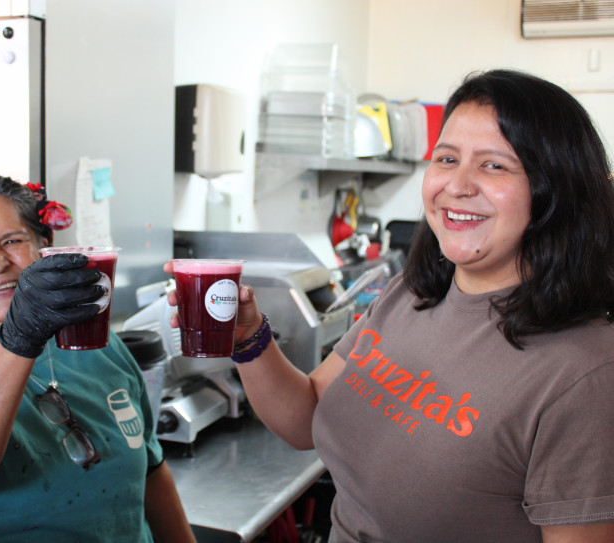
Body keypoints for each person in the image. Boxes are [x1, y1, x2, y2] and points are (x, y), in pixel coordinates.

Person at [166, 69, 614, 543]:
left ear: (555, 192)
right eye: (447, 158)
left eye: (494, 165)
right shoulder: (411, 293)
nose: (456, 185)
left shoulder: (585, 372)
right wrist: (248, 340)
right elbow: (307, 417)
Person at [0, 173, 196, 542]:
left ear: (45, 248)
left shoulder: (99, 344)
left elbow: (151, 469)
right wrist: (19, 336)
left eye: (12, 241)